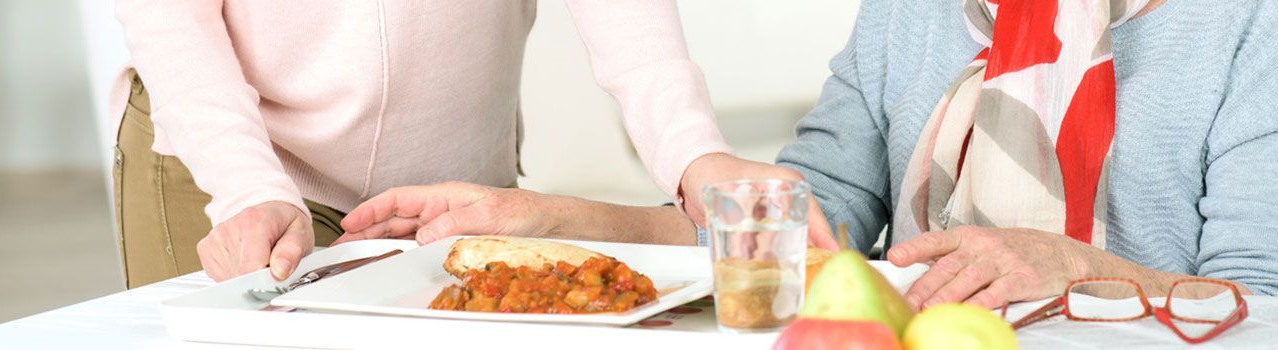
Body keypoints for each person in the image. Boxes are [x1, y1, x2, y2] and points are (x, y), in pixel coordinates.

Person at [346, 0, 1278, 310]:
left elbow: (1276, 303)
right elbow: (798, 223)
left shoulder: (1257, 16)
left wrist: (1079, 266)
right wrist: (561, 221)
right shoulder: (916, 7)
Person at [110, 0, 831, 288]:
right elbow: (172, 20)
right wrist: (248, 188)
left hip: (457, 193)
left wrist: (692, 154)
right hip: (236, 170)